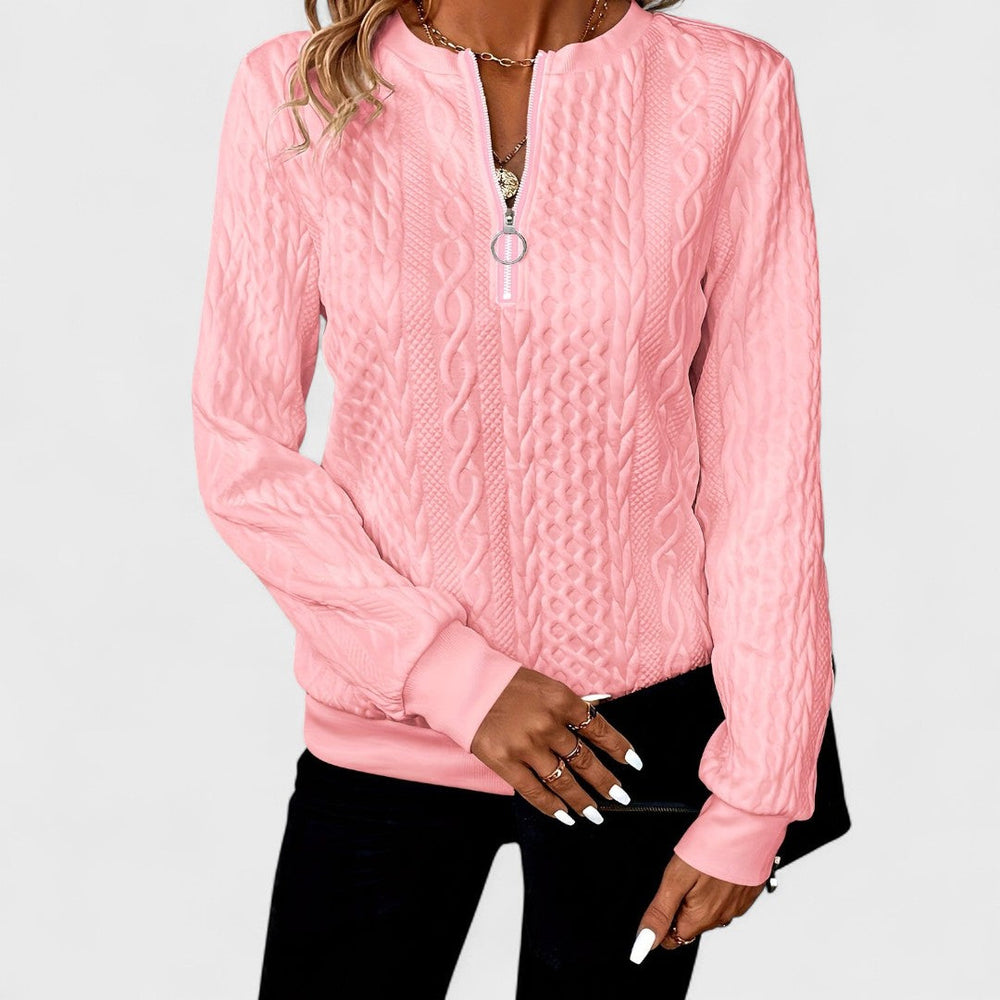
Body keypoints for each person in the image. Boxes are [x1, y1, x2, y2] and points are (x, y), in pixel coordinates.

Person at [190, 0, 834, 995]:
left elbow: (768, 471)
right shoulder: (298, 90)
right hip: (388, 738)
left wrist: (761, 791)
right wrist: (451, 674)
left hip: (633, 748)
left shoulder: (729, 87)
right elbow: (241, 451)